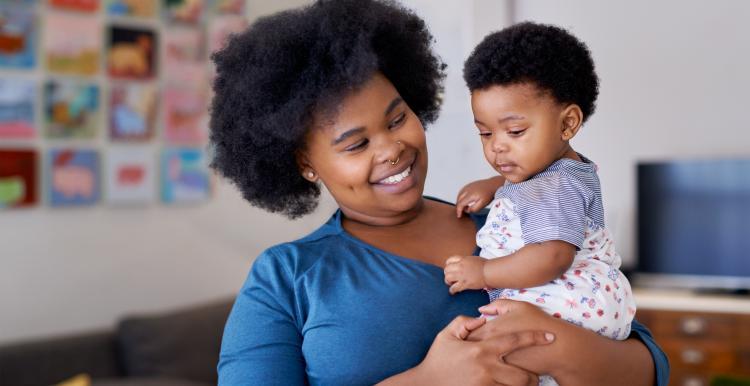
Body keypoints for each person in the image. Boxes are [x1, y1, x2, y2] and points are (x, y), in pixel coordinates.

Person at [209, 1, 669, 385]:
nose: (393, 148)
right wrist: (427, 380)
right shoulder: (286, 278)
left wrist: (558, 347)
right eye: (356, 144)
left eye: (397, 119)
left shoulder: (512, 222)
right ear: (305, 163)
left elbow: (648, 366)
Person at [443, 22, 637, 386]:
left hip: (570, 301)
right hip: (583, 301)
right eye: (485, 132)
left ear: (568, 124)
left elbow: (551, 256)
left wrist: (483, 273)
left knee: (486, 356)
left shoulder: (557, 185)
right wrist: (496, 183)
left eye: (514, 131)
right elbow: (534, 188)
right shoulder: (554, 174)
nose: (497, 145)